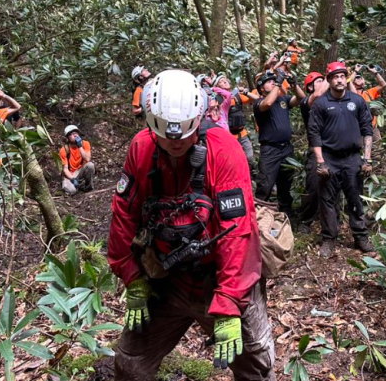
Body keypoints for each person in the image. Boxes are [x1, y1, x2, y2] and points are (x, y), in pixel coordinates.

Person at [107, 70, 275, 379]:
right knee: (130, 363)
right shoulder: (142, 148)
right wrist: (131, 276)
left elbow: (237, 229)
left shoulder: (223, 149)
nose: (175, 144)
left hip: (219, 277)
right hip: (166, 276)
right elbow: (124, 213)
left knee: (256, 367)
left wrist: (229, 299)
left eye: (184, 136)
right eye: (166, 137)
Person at [308, 62, 375, 257]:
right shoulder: (321, 104)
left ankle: (360, 236)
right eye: (335, 77)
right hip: (329, 158)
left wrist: (367, 159)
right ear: (328, 80)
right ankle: (329, 239)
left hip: (352, 158)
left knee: (355, 197)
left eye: (342, 76)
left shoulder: (357, 101)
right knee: (328, 200)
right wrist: (320, 161)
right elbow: (314, 134)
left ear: (346, 78)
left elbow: (367, 129)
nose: (339, 80)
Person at [252, 69, 305, 214]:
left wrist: (295, 85)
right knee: (265, 184)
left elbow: (301, 99)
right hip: (270, 150)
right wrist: (279, 82)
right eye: (269, 82)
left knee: (285, 183)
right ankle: (259, 216)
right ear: (262, 88)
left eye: (274, 81)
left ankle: (286, 214)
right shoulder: (258, 103)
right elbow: (268, 103)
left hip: (286, 148)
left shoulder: (283, 100)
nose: (273, 83)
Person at [297, 72, 329, 229]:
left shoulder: (331, 102)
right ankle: (306, 221)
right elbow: (318, 94)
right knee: (313, 187)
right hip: (315, 150)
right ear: (310, 87)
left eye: (324, 80)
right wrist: (332, 76)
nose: (324, 83)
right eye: (319, 81)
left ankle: (331, 220)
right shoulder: (306, 102)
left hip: (332, 149)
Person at [349, 64, 386, 144]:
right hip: (358, 130)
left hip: (373, 128)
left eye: (361, 77)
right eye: (357, 78)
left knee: (378, 151)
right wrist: (355, 71)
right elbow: (348, 82)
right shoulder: (350, 93)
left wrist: (375, 73)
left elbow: (383, 85)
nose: (360, 79)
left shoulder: (369, 93)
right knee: (362, 152)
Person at [59, 125, 95, 195]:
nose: (75, 135)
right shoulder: (63, 150)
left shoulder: (85, 144)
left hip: (80, 170)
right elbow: (65, 169)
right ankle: (77, 185)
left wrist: (80, 146)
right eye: (71, 134)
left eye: (76, 133)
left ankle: (88, 187)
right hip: (70, 173)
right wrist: (72, 179)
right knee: (71, 191)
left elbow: (87, 159)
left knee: (90, 165)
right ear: (68, 138)